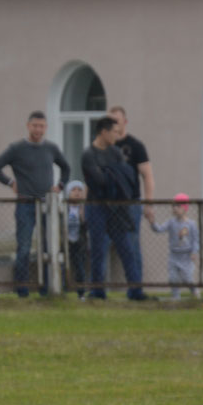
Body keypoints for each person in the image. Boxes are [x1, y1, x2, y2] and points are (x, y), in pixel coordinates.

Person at [0, 110, 70, 297]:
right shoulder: (17, 149)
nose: (38, 130)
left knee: (50, 246)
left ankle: (50, 288)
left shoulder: (51, 148)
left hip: (46, 204)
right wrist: (10, 183)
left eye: (42, 126)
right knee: (24, 248)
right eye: (35, 126)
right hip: (25, 204)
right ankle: (22, 289)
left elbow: (66, 167)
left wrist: (60, 185)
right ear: (28, 126)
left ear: (46, 128)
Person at [79, 115, 139, 301]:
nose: (117, 135)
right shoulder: (88, 154)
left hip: (117, 207)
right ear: (103, 132)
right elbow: (99, 181)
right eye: (114, 132)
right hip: (96, 207)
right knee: (97, 249)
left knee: (126, 248)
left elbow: (127, 177)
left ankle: (136, 291)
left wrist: (110, 173)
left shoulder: (115, 152)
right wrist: (113, 174)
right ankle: (98, 291)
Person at [107, 106, 152, 300]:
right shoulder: (103, 146)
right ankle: (98, 291)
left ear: (125, 122)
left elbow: (147, 176)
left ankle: (135, 290)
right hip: (106, 204)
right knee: (100, 245)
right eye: (110, 121)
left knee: (132, 246)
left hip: (130, 203)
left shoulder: (135, 146)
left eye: (117, 120)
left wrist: (148, 204)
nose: (114, 125)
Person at [148, 194, 201, 298]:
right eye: (174, 206)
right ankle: (176, 297)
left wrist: (194, 252)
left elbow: (195, 240)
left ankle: (195, 292)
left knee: (187, 278)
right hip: (174, 256)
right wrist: (152, 223)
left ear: (185, 208)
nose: (175, 208)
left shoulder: (191, 224)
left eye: (178, 206)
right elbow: (159, 229)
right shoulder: (171, 222)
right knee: (173, 278)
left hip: (186, 256)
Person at [64, 180, 91, 298]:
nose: (77, 193)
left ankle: (81, 293)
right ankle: (62, 291)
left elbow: (87, 227)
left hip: (79, 243)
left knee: (79, 267)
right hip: (65, 242)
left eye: (79, 190)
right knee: (62, 267)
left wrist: (82, 216)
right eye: (73, 190)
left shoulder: (84, 208)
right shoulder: (63, 207)